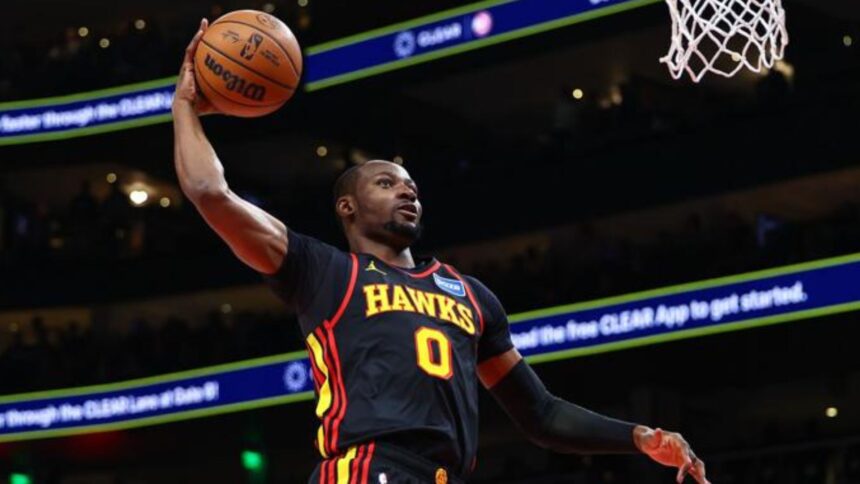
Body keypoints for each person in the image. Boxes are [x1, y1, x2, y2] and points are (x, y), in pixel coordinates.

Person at [172, 19, 710, 484]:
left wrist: (638, 436)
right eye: (386, 183)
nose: (407, 190)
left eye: (410, 185)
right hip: (364, 467)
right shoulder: (325, 272)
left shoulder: (471, 296)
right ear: (347, 208)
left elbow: (541, 415)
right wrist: (185, 107)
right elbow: (209, 192)